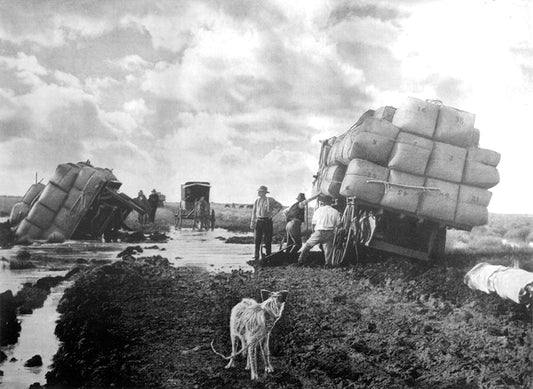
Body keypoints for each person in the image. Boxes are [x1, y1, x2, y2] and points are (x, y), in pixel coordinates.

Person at [298, 195, 341, 267]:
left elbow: (313, 224)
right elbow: (339, 224)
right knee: (328, 250)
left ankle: (301, 261)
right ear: (331, 202)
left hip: (319, 232)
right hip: (329, 232)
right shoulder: (335, 212)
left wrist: (313, 233)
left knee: (307, 246)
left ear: (323, 202)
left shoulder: (318, 210)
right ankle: (328, 264)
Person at [250, 186, 283, 260]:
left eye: (260, 191)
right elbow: (253, 212)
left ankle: (268, 254)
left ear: (264, 193)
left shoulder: (270, 200)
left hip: (267, 221)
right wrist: (252, 222)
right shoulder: (257, 201)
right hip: (259, 221)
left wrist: (272, 215)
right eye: (258, 191)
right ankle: (256, 255)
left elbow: (279, 206)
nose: (258, 192)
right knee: (257, 239)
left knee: (268, 239)